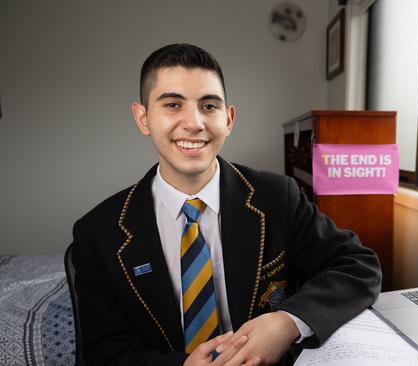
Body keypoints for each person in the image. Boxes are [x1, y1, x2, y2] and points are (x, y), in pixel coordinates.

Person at [70, 43, 382, 366]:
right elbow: (102, 352)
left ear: (229, 119)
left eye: (208, 106)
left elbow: (358, 266)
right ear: (143, 118)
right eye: (173, 104)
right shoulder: (98, 232)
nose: (194, 123)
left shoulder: (277, 196)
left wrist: (287, 322)